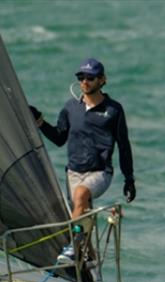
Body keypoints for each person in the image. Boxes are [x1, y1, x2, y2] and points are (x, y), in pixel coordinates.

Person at [29, 58, 135, 262]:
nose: (84, 81)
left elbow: (124, 146)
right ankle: (90, 264)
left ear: (102, 80)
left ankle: (71, 249)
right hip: (73, 172)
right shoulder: (70, 108)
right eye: (81, 77)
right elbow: (59, 138)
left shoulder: (114, 110)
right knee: (81, 216)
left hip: (100, 172)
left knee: (80, 196)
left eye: (90, 78)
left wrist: (129, 179)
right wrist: (40, 122)